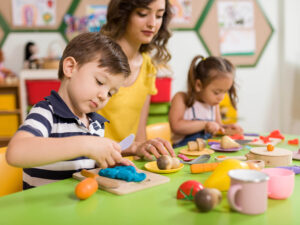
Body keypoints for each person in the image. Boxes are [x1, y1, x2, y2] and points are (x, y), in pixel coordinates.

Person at [6, 32, 133, 189]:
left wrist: (109, 164)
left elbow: (86, 173)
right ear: (70, 67)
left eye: (110, 93)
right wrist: (86, 144)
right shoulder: (46, 113)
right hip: (42, 212)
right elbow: (15, 152)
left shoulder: (95, 125)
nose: (103, 96)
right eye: (99, 82)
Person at [98, 0, 175, 160]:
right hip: (94, 164)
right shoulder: (97, 60)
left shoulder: (147, 66)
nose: (152, 23)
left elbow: (140, 134)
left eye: (159, 15)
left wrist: (145, 152)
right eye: (142, 14)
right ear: (123, 13)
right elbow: (79, 130)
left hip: (126, 162)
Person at [169, 55, 243, 148]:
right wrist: (205, 124)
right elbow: (176, 126)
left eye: (225, 92)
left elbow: (217, 126)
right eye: (216, 92)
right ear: (199, 85)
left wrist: (227, 127)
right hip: (183, 149)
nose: (221, 97)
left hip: (206, 148)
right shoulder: (181, 98)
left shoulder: (213, 103)